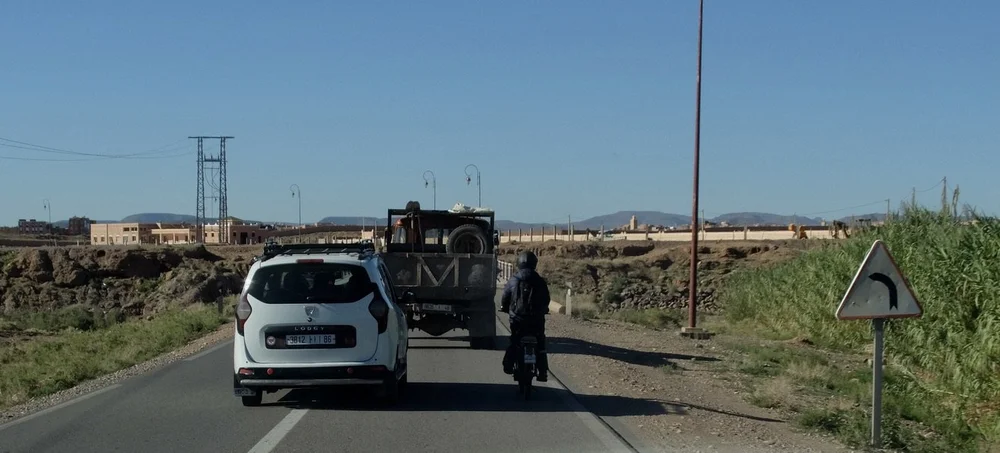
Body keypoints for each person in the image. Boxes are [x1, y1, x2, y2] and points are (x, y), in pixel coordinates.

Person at [500, 251, 550, 381]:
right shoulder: (539, 280)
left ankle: (509, 365)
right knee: (540, 343)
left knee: (515, 341)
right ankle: (543, 372)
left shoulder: (514, 280)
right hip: (536, 319)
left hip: (517, 318)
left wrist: (504, 308)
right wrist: (544, 309)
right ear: (534, 263)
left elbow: (505, 297)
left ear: (519, 263)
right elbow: (546, 299)